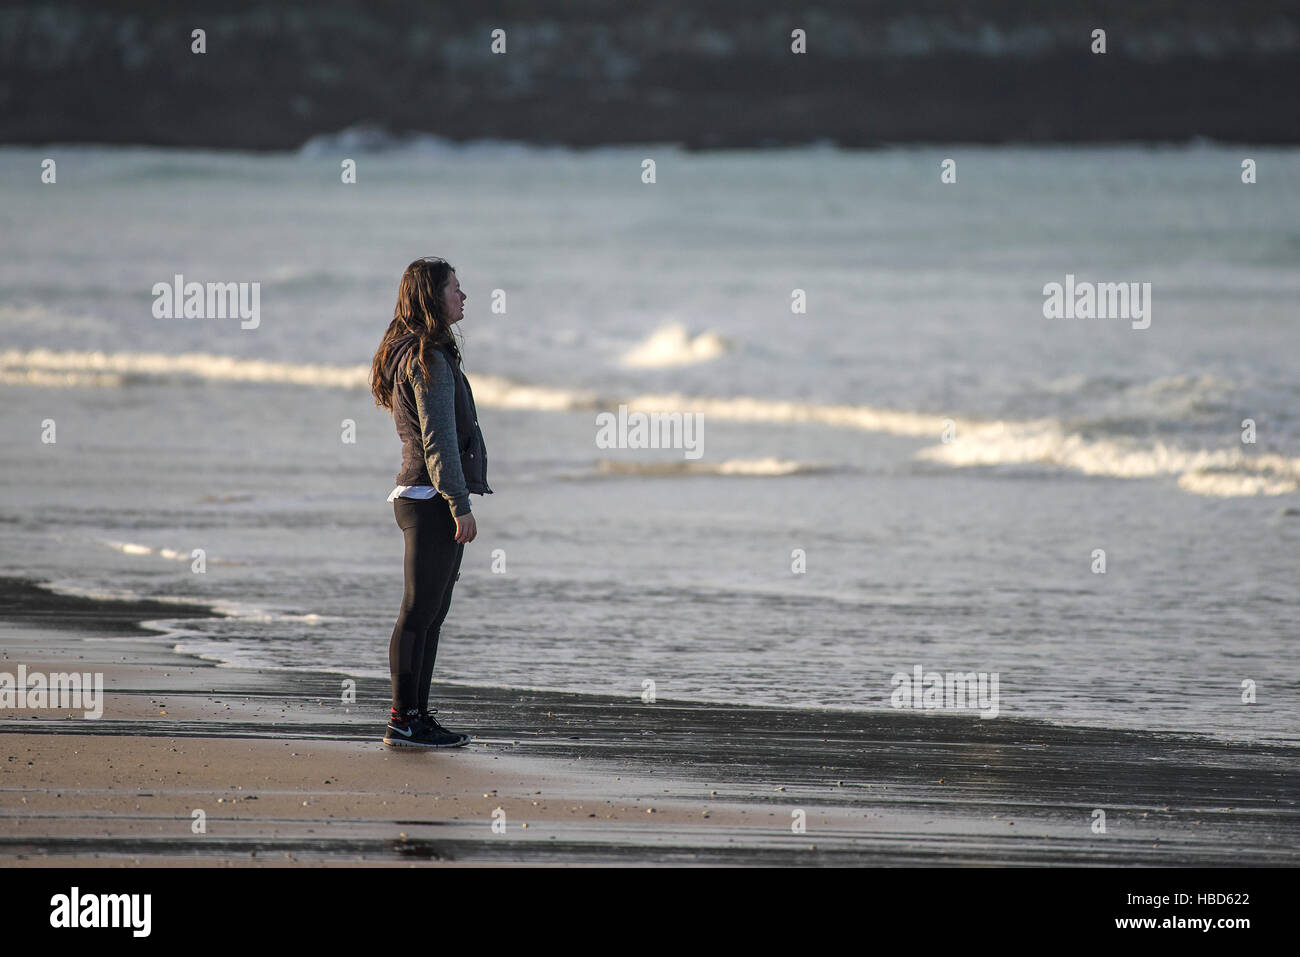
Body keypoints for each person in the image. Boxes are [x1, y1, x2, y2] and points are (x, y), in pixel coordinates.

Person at [369, 257, 492, 748]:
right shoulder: (428, 358)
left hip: (423, 496)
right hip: (430, 498)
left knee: (431, 612)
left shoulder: (412, 352)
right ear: (432, 297)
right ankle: (403, 718)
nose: (463, 297)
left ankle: (416, 715)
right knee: (420, 611)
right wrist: (459, 504)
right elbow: (438, 440)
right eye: (455, 289)